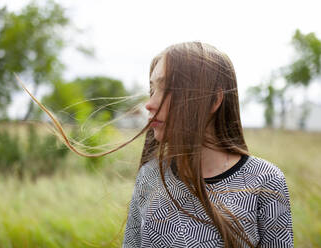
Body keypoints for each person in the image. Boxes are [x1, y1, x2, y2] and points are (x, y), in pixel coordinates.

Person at [122, 42, 294, 248]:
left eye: (167, 88)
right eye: (152, 89)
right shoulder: (149, 177)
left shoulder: (265, 181)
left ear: (214, 99)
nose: (149, 104)